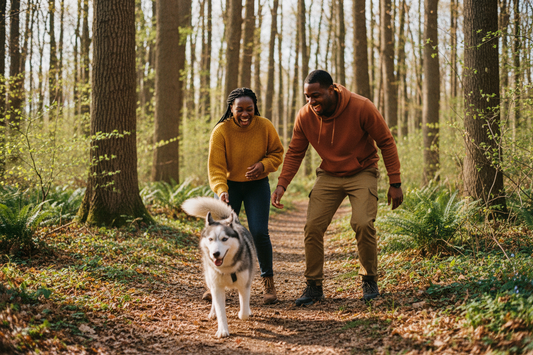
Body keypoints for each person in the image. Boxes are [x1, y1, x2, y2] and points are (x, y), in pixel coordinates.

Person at [271, 70, 403, 306]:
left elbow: (386, 142)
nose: (311, 102)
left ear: (331, 89)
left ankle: (369, 280)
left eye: (316, 95)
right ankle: (314, 286)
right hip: (329, 174)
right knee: (312, 226)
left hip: (362, 171)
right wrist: (282, 184)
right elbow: (295, 152)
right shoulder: (305, 116)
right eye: (307, 97)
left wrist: (395, 182)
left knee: (362, 223)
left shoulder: (362, 107)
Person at [207, 87, 284, 304]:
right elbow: (216, 168)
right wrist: (221, 190)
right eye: (239, 109)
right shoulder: (221, 131)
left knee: (259, 232)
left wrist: (264, 165)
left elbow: (277, 153)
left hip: (256, 186)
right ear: (231, 108)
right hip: (229, 187)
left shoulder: (265, 126)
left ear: (254, 108)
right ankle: (216, 283)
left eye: (249, 109)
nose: (244, 114)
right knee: (221, 234)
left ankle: (268, 283)